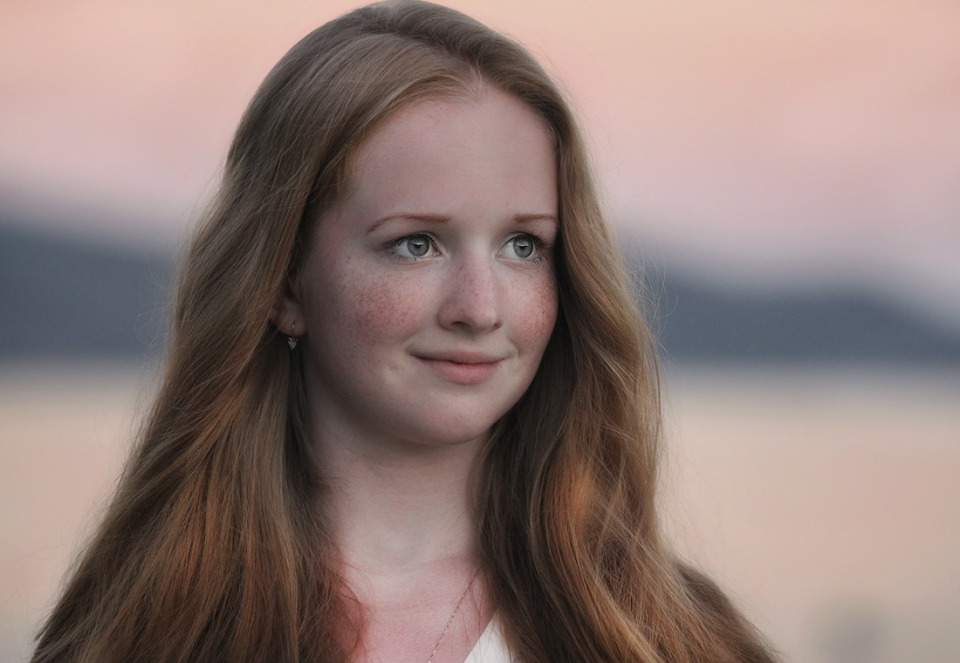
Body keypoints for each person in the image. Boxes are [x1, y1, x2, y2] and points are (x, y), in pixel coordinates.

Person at [32, 1, 776, 661]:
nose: (480, 307)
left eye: (524, 245)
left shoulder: (671, 637)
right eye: (416, 242)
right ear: (284, 282)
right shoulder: (135, 633)